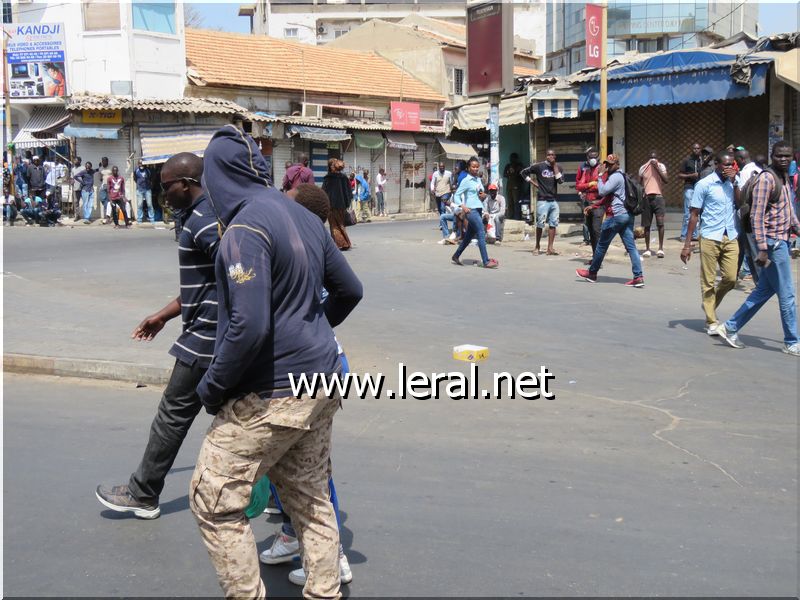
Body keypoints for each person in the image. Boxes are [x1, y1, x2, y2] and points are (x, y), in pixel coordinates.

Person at [189, 125, 362, 599]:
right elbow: (351, 290)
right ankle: (324, 591)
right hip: (322, 381)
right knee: (309, 497)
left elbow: (248, 329)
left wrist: (211, 388)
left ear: (218, 177)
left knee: (213, 499)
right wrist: (311, 325)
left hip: (274, 393)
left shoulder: (243, 229)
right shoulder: (302, 215)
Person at [95, 153, 219, 519]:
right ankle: (281, 502)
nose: (162, 193)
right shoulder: (201, 216)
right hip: (212, 334)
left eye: (166, 186)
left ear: (186, 183)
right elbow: (205, 283)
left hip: (206, 339)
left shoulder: (206, 221)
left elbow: (236, 273)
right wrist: (163, 316)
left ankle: (143, 493)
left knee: (172, 415)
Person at [260, 183, 353, 587]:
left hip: (308, 371)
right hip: (317, 365)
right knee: (287, 465)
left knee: (311, 472)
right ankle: (291, 533)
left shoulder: (302, 245)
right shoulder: (305, 241)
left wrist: (314, 327)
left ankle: (333, 556)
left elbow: (351, 291)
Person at [717, 141, 800, 355]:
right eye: (780, 155)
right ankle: (792, 341)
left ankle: (730, 326)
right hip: (773, 243)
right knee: (788, 295)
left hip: (780, 240)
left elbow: (788, 210)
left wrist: (797, 228)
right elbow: (756, 215)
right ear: (772, 155)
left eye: (787, 156)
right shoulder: (767, 178)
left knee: (764, 291)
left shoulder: (784, 178)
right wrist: (762, 248)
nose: (784, 159)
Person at [680, 152, 739, 335]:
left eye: (731, 164)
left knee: (730, 279)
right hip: (709, 236)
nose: (728, 168)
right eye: (725, 164)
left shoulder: (733, 183)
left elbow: (740, 202)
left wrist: (736, 182)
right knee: (709, 280)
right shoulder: (704, 184)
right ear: (716, 165)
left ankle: (709, 304)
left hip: (730, 236)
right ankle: (711, 320)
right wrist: (687, 244)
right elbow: (694, 215)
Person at [575, 154, 644, 288]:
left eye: (611, 164)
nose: (608, 166)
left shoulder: (616, 177)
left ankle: (592, 273)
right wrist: (594, 205)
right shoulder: (621, 177)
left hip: (616, 216)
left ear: (617, 165)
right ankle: (638, 277)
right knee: (631, 247)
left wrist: (600, 175)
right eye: (607, 163)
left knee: (601, 246)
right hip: (626, 215)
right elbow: (609, 197)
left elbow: (602, 191)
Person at [450, 156, 498, 269]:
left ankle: (456, 255)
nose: (476, 169)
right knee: (481, 232)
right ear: (468, 168)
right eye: (473, 167)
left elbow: (480, 194)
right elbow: (456, 195)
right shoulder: (466, 180)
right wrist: (463, 206)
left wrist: (484, 195)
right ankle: (486, 261)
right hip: (471, 211)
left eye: (477, 167)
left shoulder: (478, 180)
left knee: (468, 237)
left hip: (478, 209)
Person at [521, 149, 563, 255]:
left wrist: (554, 166)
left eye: (553, 155)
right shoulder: (539, 166)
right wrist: (532, 182)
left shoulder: (558, 167)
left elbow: (560, 181)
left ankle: (550, 248)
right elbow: (523, 172)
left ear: (555, 156)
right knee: (540, 224)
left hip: (553, 200)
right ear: (546, 156)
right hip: (542, 200)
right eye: (549, 155)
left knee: (553, 224)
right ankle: (537, 246)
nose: (551, 156)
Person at [734, 148, 761, 283]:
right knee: (750, 246)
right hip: (758, 213)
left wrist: (734, 184)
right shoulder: (759, 170)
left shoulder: (744, 173)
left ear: (742, 159)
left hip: (746, 214)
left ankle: (759, 279)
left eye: (737, 160)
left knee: (748, 247)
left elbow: (741, 197)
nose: (736, 163)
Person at [638, 150, 668, 258]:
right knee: (647, 225)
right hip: (647, 199)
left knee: (660, 224)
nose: (653, 159)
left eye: (654, 157)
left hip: (658, 198)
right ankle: (647, 249)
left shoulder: (661, 166)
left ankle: (660, 248)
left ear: (657, 158)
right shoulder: (643, 168)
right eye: (651, 157)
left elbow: (666, 180)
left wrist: (656, 167)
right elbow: (640, 184)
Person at [575, 147, 602, 255]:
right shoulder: (584, 169)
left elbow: (602, 186)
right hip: (587, 202)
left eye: (595, 157)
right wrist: (590, 184)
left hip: (598, 203)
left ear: (598, 157)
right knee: (590, 229)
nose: (593, 159)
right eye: (591, 157)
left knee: (596, 230)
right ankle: (595, 256)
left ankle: (598, 257)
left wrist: (587, 187)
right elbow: (578, 185)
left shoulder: (602, 168)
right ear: (587, 157)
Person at [322, 158, 352, 251]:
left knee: (334, 225)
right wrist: (347, 203)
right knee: (341, 224)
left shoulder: (328, 178)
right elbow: (349, 192)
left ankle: (340, 243)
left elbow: (323, 192)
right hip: (342, 205)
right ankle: (345, 243)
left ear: (331, 167)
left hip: (332, 206)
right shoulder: (344, 178)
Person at [678, 143, 702, 241]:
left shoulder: (702, 161)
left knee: (697, 212)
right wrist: (691, 175)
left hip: (700, 188)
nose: (696, 150)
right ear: (691, 149)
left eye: (698, 148)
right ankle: (684, 235)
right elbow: (680, 175)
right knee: (688, 212)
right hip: (689, 187)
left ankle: (695, 235)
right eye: (694, 148)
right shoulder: (686, 160)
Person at [503, 152, 525, 220]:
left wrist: (514, 172)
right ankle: (510, 216)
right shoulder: (508, 165)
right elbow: (504, 174)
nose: (511, 159)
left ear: (516, 159)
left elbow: (522, 174)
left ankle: (517, 217)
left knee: (516, 202)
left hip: (517, 186)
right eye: (510, 158)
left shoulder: (519, 165)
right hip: (509, 186)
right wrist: (510, 173)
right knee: (510, 202)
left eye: (513, 158)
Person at [97, 157, 112, 224]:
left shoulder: (111, 167)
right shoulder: (100, 168)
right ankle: (108, 215)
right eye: (103, 161)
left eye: (105, 161)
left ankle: (108, 217)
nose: (104, 162)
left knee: (110, 201)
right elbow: (100, 178)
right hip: (103, 186)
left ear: (107, 161)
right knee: (102, 198)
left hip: (111, 186)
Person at [70, 157, 84, 221]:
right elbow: (72, 178)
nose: (74, 161)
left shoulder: (83, 168)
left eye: (76, 160)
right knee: (76, 202)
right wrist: (71, 182)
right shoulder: (73, 169)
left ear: (79, 161)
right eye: (74, 160)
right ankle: (77, 215)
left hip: (83, 188)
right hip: (76, 188)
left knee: (85, 202)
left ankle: (86, 216)